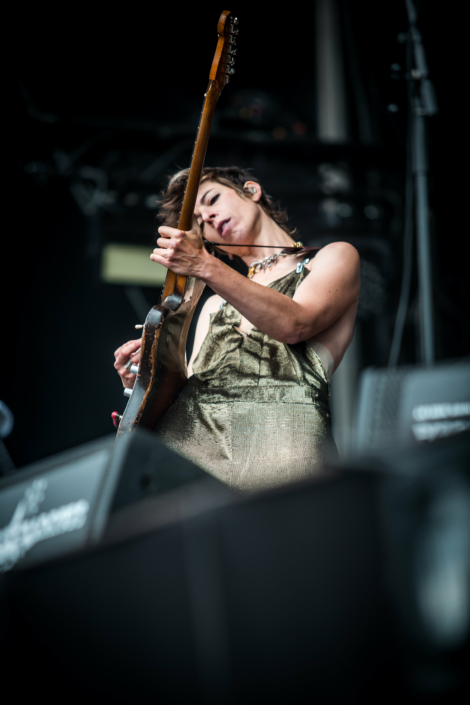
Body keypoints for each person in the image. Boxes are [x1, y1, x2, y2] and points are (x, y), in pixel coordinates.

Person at [114, 166, 360, 492]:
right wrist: (140, 384)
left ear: (252, 191)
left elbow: (294, 324)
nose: (209, 218)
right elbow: (188, 393)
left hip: (284, 452)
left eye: (212, 199)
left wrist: (204, 265)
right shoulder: (214, 305)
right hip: (190, 465)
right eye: (200, 222)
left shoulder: (332, 257)